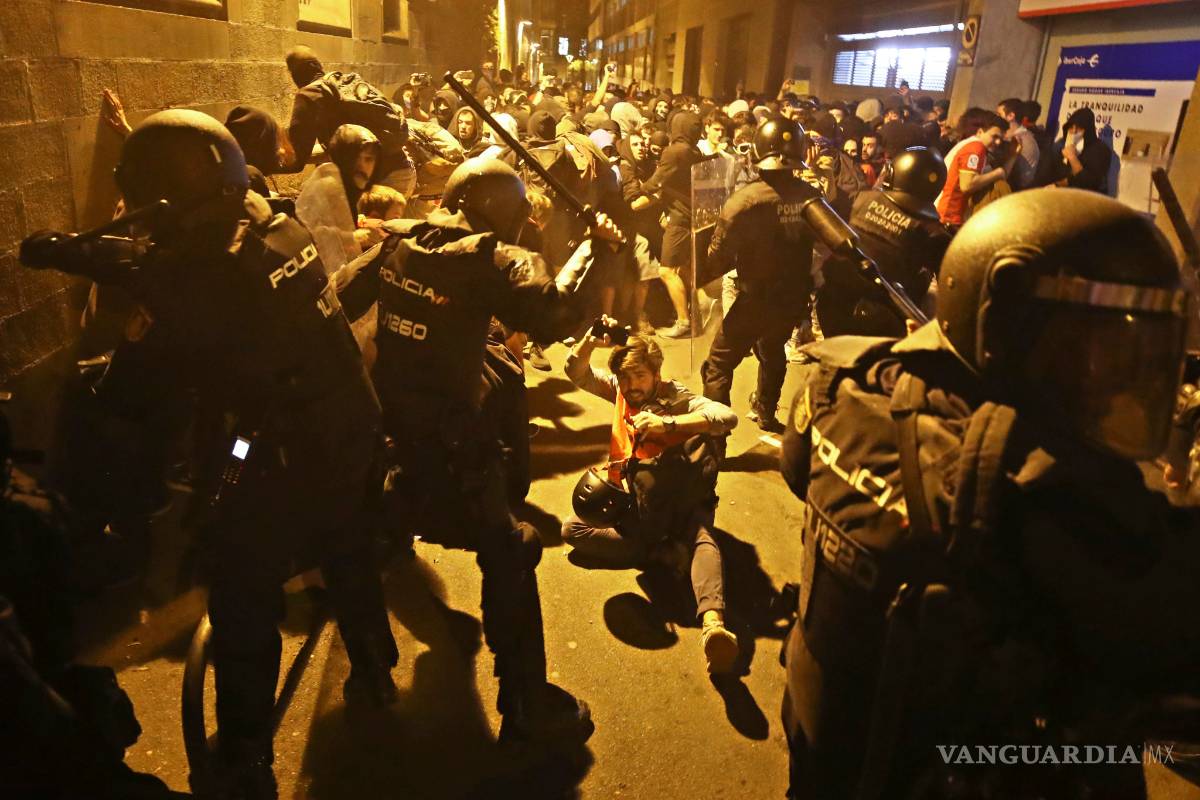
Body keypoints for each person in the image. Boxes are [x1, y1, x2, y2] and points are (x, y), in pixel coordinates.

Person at [20, 109, 399, 800]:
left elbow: (137, 386)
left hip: (268, 446)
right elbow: (165, 256)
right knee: (344, 542)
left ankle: (246, 756)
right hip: (348, 418)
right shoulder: (266, 218)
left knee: (239, 584)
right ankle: (375, 665)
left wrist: (114, 367)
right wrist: (77, 251)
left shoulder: (200, 285)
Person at [779, 187, 1200, 799]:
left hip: (827, 743)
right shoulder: (1053, 495)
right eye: (1105, 345)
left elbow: (798, 473)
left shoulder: (845, 386)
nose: (1122, 374)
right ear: (1010, 320)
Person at [335, 158, 623, 745]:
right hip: (452, 454)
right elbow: (555, 314)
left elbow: (338, 295)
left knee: (354, 545)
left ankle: (369, 674)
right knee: (512, 550)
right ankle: (525, 704)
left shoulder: (401, 242)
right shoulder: (491, 261)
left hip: (387, 442)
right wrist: (601, 249)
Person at [561, 329, 741, 673]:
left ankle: (713, 626)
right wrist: (589, 341)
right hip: (640, 507)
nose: (632, 385)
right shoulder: (621, 392)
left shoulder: (676, 398)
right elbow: (576, 372)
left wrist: (667, 423)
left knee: (703, 538)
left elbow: (726, 417)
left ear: (656, 374)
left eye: (640, 376)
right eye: (625, 377)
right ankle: (657, 553)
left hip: (683, 500)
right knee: (571, 530)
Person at [699, 116, 821, 435]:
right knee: (772, 350)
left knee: (717, 366)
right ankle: (766, 411)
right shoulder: (810, 197)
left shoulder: (745, 199)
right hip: (792, 299)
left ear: (758, 151)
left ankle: (715, 438)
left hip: (755, 298)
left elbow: (717, 254)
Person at [816, 147, 950, 339]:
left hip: (832, 309)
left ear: (892, 174)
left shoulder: (860, 200)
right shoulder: (933, 234)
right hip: (886, 323)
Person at [280, 46, 414, 193]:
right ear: (318, 66)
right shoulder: (346, 83)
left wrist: (261, 166)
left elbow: (297, 159)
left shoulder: (309, 95)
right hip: (403, 171)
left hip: (379, 183)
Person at [641, 112, 707, 338]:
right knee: (686, 269)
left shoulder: (674, 151)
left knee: (667, 270)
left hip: (679, 217)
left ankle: (683, 321)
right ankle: (697, 315)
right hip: (693, 214)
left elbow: (656, 181)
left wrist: (641, 189)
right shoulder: (694, 150)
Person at [935, 107, 1013, 228]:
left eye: (1000, 139)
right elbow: (967, 184)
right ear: (980, 132)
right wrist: (997, 173)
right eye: (994, 136)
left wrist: (1013, 156)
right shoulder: (976, 148)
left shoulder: (972, 145)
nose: (998, 142)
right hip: (947, 216)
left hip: (946, 214)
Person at [1053, 106, 1114, 194]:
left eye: (1079, 128)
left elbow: (1089, 183)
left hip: (1088, 201)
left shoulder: (1100, 150)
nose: (1074, 132)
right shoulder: (1063, 144)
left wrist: (1072, 158)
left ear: (1088, 130)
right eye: (1071, 127)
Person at [997, 97, 1040, 191]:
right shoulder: (1024, 135)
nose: (996, 118)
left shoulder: (1018, 139)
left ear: (1011, 116)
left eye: (999, 114)